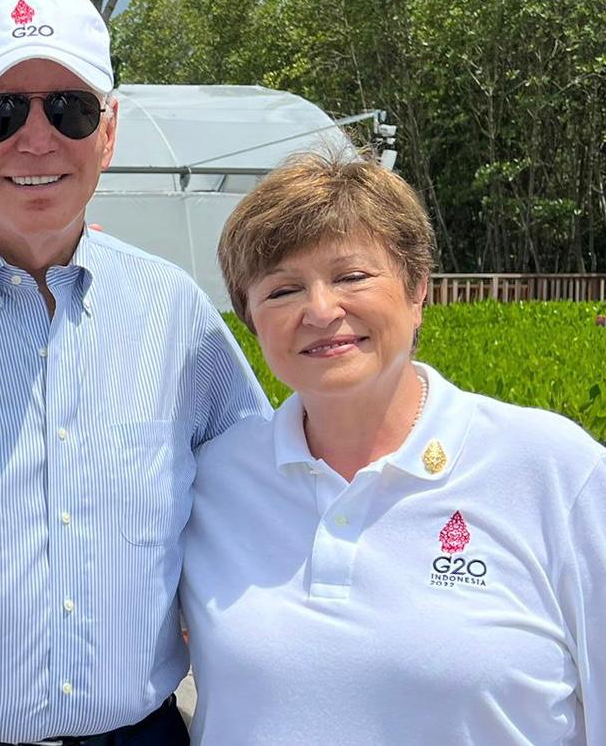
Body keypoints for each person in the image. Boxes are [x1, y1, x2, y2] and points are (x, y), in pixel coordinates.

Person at [0, 0, 269, 746]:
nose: (37, 140)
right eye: (0, 113)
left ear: (108, 133)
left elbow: (260, 505)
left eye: (70, 109)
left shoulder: (174, 315)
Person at [180, 149, 606, 745]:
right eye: (282, 290)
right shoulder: (212, 481)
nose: (322, 310)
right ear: (250, 319)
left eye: (352, 276)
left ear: (417, 291)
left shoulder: (554, 471)